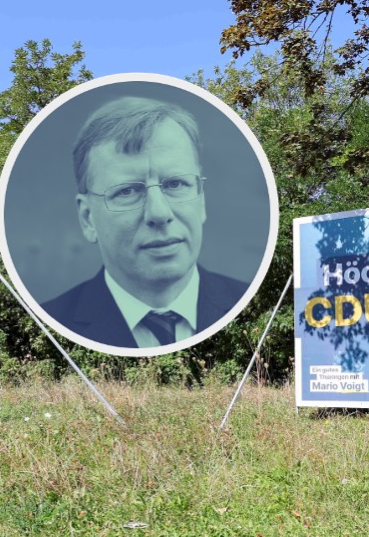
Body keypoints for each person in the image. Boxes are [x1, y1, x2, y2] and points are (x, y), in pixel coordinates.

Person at [42, 96, 247, 349]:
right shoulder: (47, 325)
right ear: (87, 218)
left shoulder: (254, 307)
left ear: (201, 199)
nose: (159, 213)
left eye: (175, 184)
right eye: (127, 191)